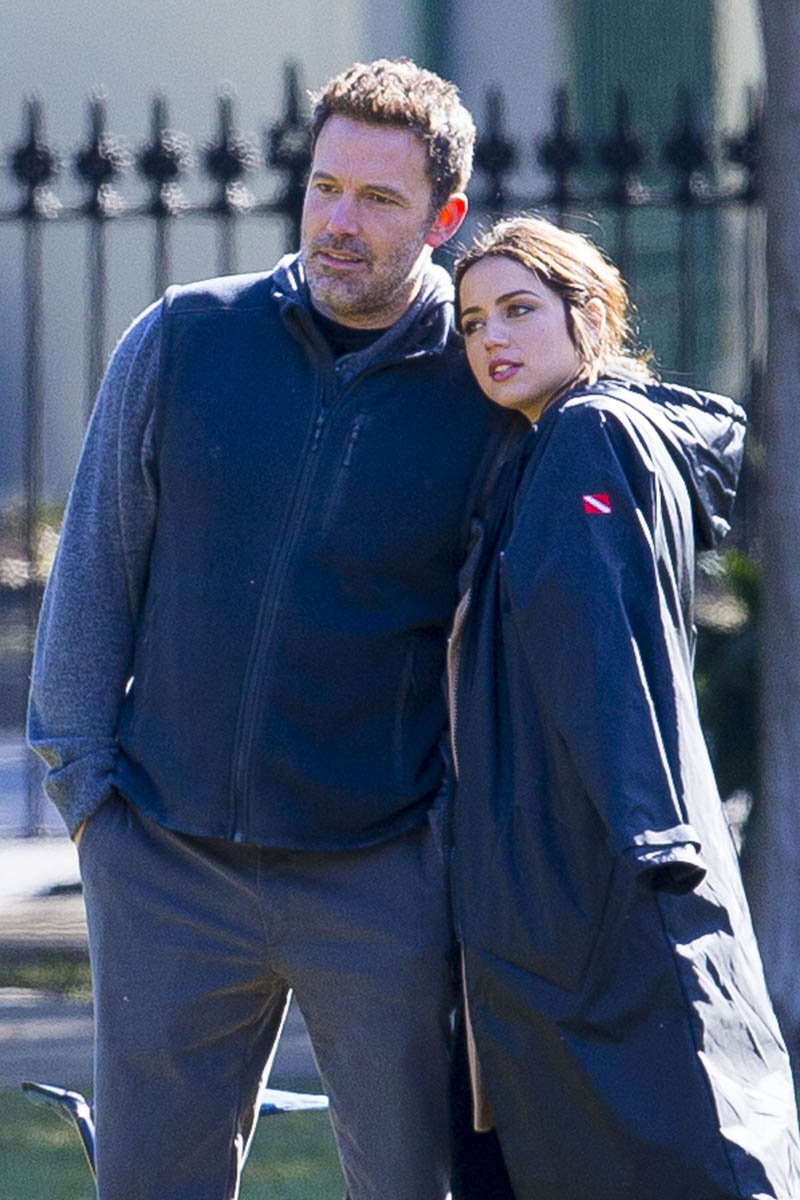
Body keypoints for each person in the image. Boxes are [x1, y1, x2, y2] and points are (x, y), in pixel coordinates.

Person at [27, 58, 519, 1200]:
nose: (339, 222)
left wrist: (440, 849)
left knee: (415, 1186)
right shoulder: (182, 337)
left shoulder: (480, 389)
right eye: (324, 186)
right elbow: (94, 574)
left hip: (382, 876)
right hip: (164, 865)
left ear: (444, 218)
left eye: (379, 199)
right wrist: (89, 803)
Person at [448, 215, 800, 1199]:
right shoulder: (591, 437)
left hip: (592, 881)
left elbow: (599, 645)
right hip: (610, 869)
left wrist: (647, 842)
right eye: (472, 322)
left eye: (518, 309)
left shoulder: (586, 435)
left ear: (591, 314)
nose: (491, 338)